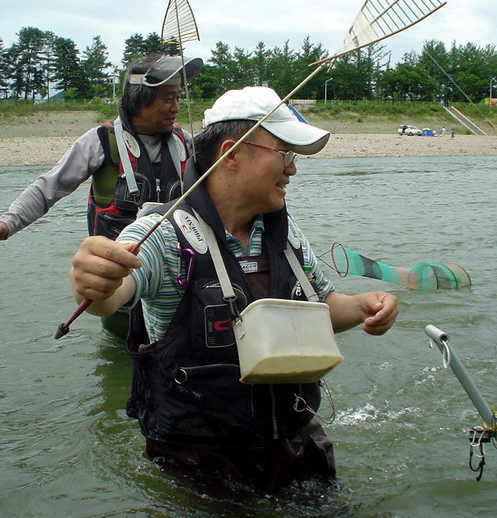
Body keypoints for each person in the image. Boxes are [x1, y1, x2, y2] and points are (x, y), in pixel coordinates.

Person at [69, 86, 399, 490]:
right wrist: (97, 281)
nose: (292, 169)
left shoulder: (283, 231)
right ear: (232, 154)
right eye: (285, 154)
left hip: (291, 439)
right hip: (199, 458)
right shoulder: (162, 236)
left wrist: (364, 306)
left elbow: (323, 306)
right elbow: (114, 294)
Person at [0, 53, 203, 245]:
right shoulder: (100, 142)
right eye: (167, 99)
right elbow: (48, 187)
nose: (176, 107)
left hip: (176, 271)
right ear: (140, 101)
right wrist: (7, 223)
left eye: (177, 97)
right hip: (118, 275)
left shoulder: (187, 143)